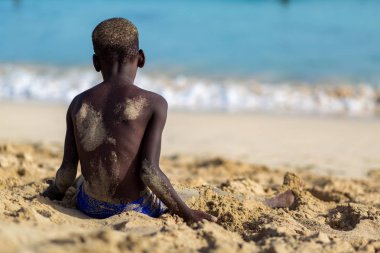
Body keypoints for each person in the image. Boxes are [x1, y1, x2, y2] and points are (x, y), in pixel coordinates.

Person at [42, 17, 295, 222]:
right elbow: (149, 172)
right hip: (135, 208)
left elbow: (66, 172)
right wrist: (188, 215)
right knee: (196, 193)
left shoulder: (78, 103)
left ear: (96, 63)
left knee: (81, 180)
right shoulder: (152, 103)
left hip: (89, 206)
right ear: (141, 58)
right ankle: (267, 203)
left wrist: (51, 194)